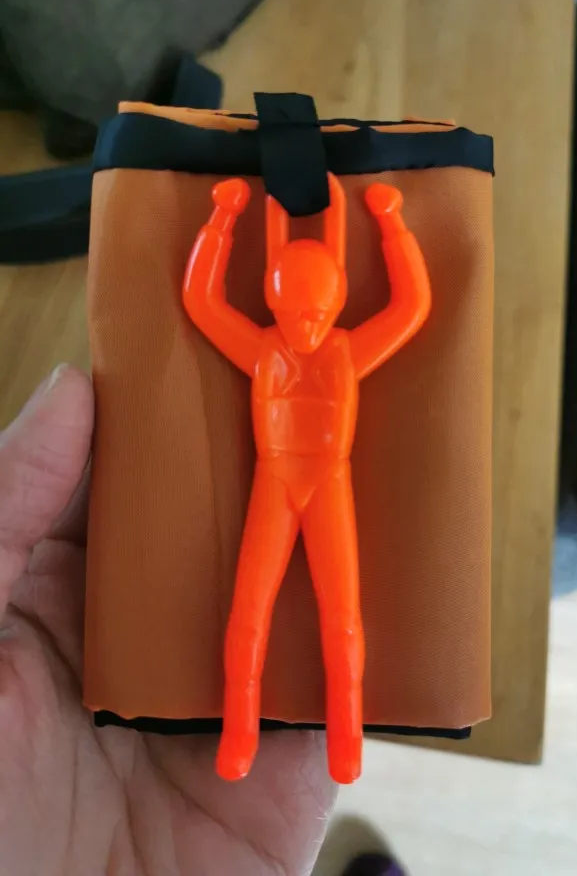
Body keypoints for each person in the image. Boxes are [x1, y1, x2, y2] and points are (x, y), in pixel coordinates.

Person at [0, 365, 336, 874]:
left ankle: (340, 739)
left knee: (331, 613)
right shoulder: (271, 355)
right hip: (277, 479)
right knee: (254, 610)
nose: (308, 323)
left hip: (325, 481)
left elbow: (404, 317)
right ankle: (246, 736)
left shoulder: (333, 356)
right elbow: (212, 315)